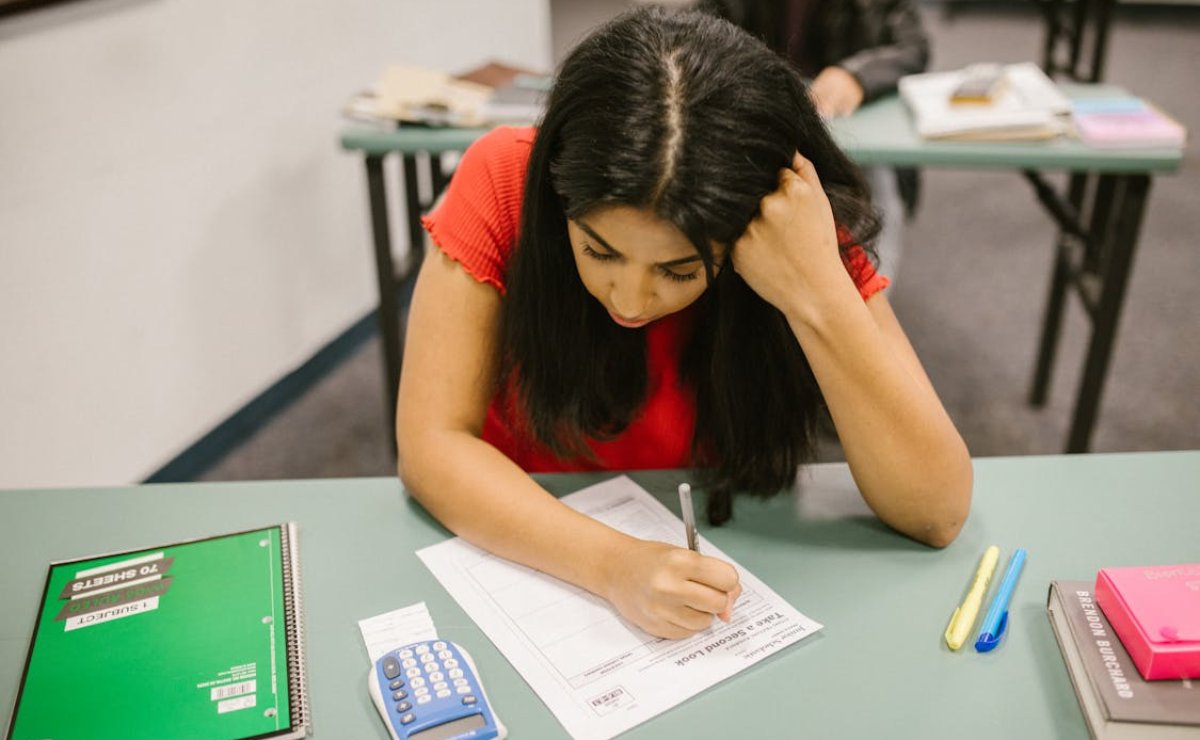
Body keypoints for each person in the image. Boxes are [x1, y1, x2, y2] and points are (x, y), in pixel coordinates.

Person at [396, 7, 971, 641]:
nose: (633, 299)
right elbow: (432, 446)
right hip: (524, 530)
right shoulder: (507, 176)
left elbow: (937, 510)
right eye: (599, 250)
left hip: (724, 528)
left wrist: (818, 293)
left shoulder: (788, 217)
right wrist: (611, 563)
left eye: (678, 271)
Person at [702, 0, 930, 275]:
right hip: (758, 127)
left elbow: (912, 46)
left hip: (848, 137)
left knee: (872, 188)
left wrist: (858, 75)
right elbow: (693, 32)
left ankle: (866, 298)